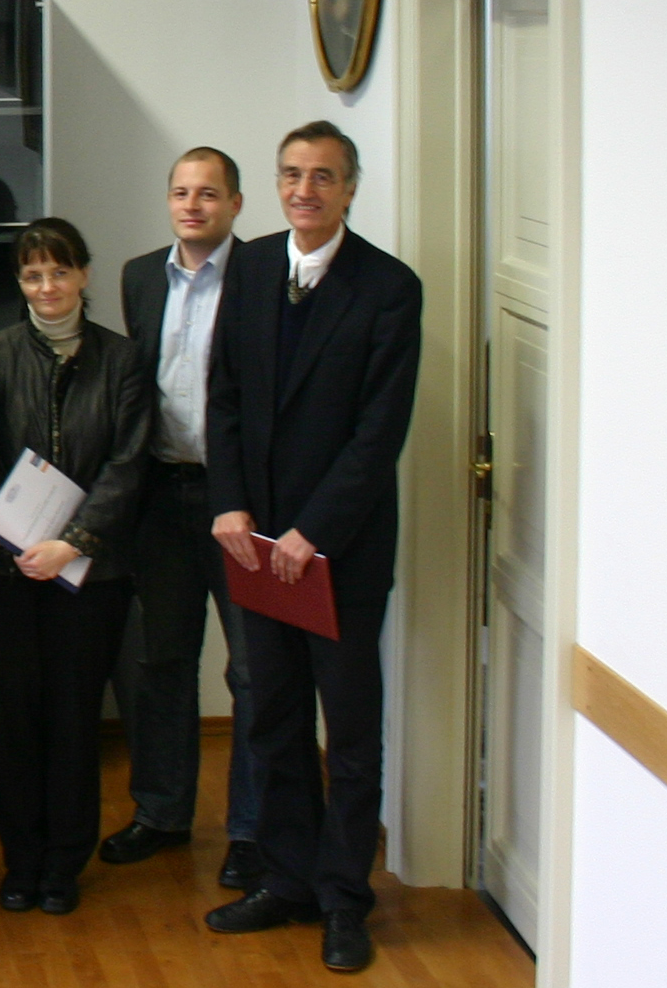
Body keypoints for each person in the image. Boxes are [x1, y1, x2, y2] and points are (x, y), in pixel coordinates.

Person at [203, 122, 420, 975]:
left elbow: (378, 433)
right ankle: (287, 879)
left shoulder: (390, 288)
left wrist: (313, 530)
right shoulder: (252, 266)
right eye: (293, 174)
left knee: (351, 732)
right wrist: (230, 504)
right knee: (273, 718)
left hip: (340, 553)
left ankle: (343, 899)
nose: (305, 190)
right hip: (257, 548)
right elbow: (224, 393)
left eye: (323, 177)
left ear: (350, 188)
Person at [0, 218, 149, 915]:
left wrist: (72, 541)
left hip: (91, 574)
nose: (47, 287)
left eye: (60, 272)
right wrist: (18, 543)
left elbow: (128, 465)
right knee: (15, 720)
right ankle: (21, 860)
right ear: (20, 282)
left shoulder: (123, 361)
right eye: (33, 275)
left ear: (84, 275)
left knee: (74, 719)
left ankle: (64, 862)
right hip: (4, 570)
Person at [102, 147, 264, 891]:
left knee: (251, 671)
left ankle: (251, 831)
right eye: (180, 193)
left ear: (235, 203)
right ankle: (162, 813)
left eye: (207, 194)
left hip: (240, 504)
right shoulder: (140, 276)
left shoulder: (262, 276)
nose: (192, 205)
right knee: (161, 662)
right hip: (162, 496)